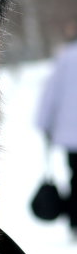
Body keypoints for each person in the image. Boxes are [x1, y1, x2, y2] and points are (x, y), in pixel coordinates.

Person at [36, 23, 77, 235]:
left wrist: (44, 124)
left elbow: (50, 94)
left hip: (72, 135)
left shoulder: (66, 58)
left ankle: (74, 220)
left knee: (75, 175)